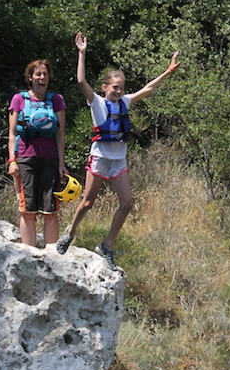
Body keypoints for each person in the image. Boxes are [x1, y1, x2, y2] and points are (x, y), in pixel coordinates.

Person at [54, 31, 180, 270]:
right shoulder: (97, 102)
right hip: (100, 158)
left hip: (119, 160)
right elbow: (81, 81)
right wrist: (82, 53)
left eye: (121, 87)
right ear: (105, 87)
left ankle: (107, 246)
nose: (119, 91)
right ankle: (70, 232)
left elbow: (149, 88)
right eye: (115, 87)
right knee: (88, 203)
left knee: (127, 203)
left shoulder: (125, 102)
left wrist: (168, 71)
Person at [7, 59, 68, 247]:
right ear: (30, 77)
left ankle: (52, 254)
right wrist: (12, 161)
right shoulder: (19, 99)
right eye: (38, 74)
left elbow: (60, 134)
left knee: (50, 210)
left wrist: (61, 164)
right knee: (28, 209)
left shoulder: (56, 100)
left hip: (50, 159)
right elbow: (12, 133)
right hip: (25, 158)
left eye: (45, 74)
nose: (42, 78)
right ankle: (29, 253)